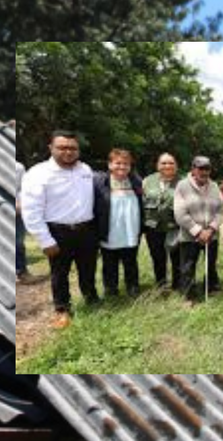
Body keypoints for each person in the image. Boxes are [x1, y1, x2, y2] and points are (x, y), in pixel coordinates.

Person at [21, 131, 98, 328]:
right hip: (58, 232)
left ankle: (92, 300)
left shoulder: (85, 170)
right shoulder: (38, 173)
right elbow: (31, 210)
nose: (68, 151)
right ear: (51, 148)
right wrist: (45, 240)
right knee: (59, 273)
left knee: (88, 270)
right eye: (62, 147)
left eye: (72, 148)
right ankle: (62, 310)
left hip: (86, 230)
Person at [93, 148, 144, 298]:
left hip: (131, 229)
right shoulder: (100, 183)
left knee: (131, 261)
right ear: (110, 165)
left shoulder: (136, 181)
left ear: (130, 166)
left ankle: (133, 287)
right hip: (110, 230)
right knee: (109, 263)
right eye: (118, 163)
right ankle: (111, 289)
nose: (122, 167)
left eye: (126, 164)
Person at [174, 156, 222, 303]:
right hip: (190, 235)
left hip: (211, 235)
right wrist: (198, 231)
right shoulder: (182, 186)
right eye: (200, 168)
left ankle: (212, 288)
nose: (204, 172)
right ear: (193, 169)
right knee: (188, 267)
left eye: (207, 168)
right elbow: (180, 214)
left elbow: (220, 211)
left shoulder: (214, 186)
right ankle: (188, 296)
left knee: (211, 264)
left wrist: (211, 229)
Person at [141, 153, 182, 289]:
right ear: (158, 165)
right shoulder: (147, 181)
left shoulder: (183, 182)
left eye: (171, 163)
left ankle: (177, 285)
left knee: (177, 259)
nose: (167, 166)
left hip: (175, 227)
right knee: (158, 258)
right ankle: (161, 285)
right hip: (153, 228)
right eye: (163, 163)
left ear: (176, 166)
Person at [15, 160, 28, 282]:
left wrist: (20, 203)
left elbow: (24, 189)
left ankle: (21, 272)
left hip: (17, 211)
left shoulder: (18, 167)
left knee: (18, 242)